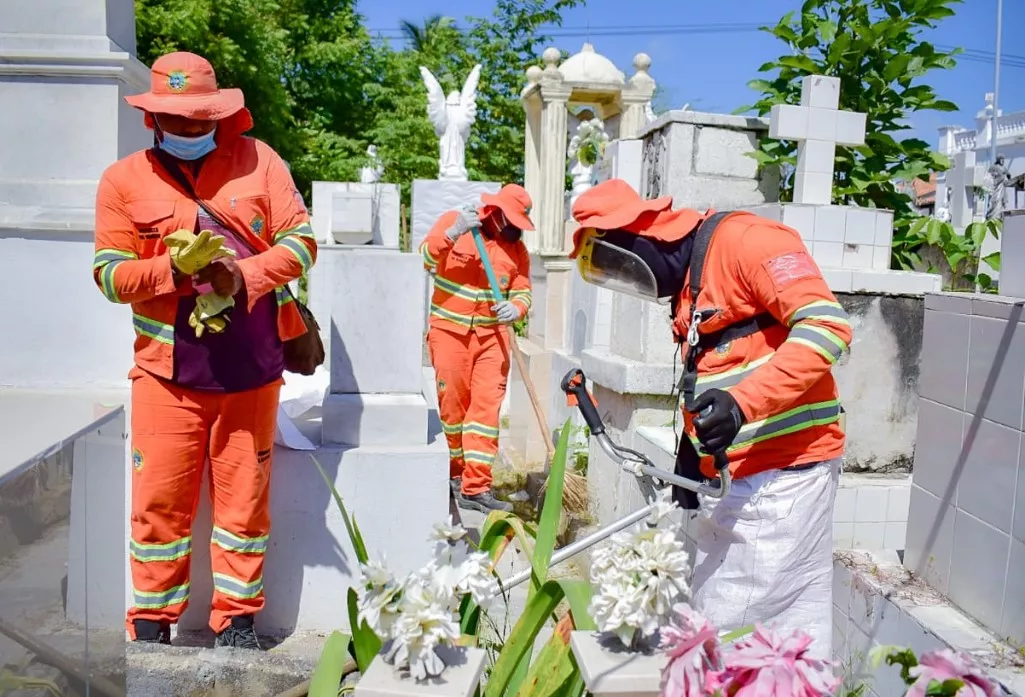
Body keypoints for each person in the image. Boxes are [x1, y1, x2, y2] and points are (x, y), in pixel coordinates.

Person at [569, 178, 853, 658]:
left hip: (783, 477)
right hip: (741, 478)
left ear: (647, 238)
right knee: (770, 639)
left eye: (625, 265)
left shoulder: (749, 242)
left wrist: (743, 403)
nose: (635, 284)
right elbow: (717, 366)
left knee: (731, 633)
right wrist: (692, 454)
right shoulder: (692, 283)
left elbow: (828, 328)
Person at [92, 51, 317, 649]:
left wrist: (242, 277)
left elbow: (301, 242)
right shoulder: (122, 181)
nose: (192, 130)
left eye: (202, 119)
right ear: (154, 119)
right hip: (165, 374)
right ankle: (151, 624)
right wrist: (172, 269)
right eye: (179, 120)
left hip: (252, 369)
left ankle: (237, 623)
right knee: (158, 505)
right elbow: (110, 277)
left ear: (220, 114)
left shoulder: (260, 162)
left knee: (244, 508)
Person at [420, 185, 535, 513]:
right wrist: (454, 233)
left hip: (492, 339)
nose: (515, 230)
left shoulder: (517, 251)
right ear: (495, 213)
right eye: (510, 221)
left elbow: (523, 289)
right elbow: (426, 257)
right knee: (453, 410)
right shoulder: (456, 224)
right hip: (449, 334)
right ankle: (454, 473)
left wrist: (516, 308)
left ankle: (476, 486)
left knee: (485, 414)